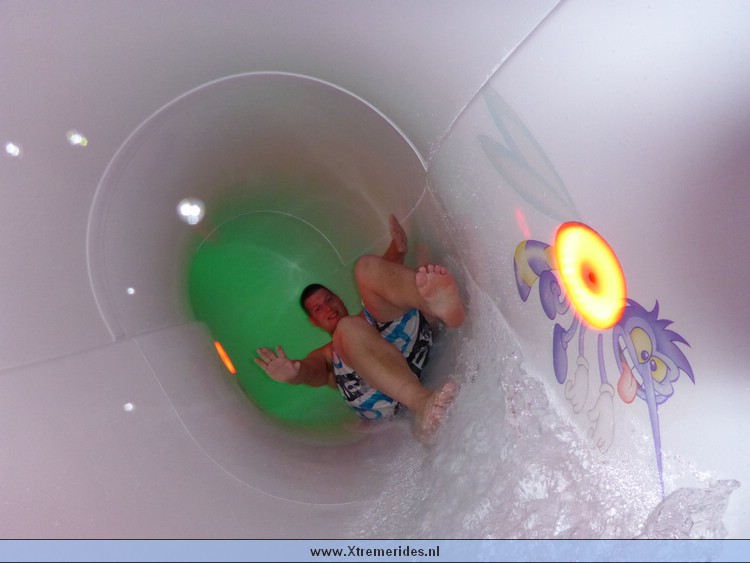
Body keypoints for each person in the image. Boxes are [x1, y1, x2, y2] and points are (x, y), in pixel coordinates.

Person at [254, 215, 465, 443]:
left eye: (329, 299)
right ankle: (422, 402)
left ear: (339, 299)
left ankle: (437, 307)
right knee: (347, 330)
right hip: (380, 399)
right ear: (314, 321)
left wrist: (398, 249)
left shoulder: (368, 317)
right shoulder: (328, 353)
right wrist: (295, 374)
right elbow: (312, 371)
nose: (328, 308)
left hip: (414, 349)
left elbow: (382, 275)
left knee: (364, 268)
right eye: (318, 308)